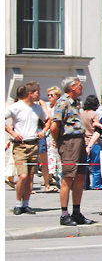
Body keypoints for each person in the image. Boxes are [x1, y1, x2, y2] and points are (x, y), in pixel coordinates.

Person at [50, 76, 95, 226]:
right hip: (69, 141)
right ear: (72, 87)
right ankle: (64, 213)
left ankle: (76, 212)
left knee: (81, 176)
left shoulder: (75, 103)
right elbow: (54, 127)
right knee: (68, 177)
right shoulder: (62, 102)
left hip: (79, 140)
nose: (82, 87)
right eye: (79, 85)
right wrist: (58, 143)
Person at [4, 82, 49, 215]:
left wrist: (44, 131)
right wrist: (12, 133)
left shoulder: (37, 108)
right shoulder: (16, 107)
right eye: (37, 93)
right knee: (22, 176)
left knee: (30, 176)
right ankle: (18, 203)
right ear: (30, 93)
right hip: (20, 145)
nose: (39, 95)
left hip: (33, 143)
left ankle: (26, 204)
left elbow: (48, 120)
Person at [38, 86, 62, 192]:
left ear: (57, 96)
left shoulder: (58, 106)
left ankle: (53, 177)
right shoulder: (52, 106)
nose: (50, 97)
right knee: (50, 156)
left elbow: (50, 118)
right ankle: (50, 178)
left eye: (52, 95)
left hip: (55, 135)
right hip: (49, 135)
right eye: (48, 95)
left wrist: (43, 106)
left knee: (55, 156)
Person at [81, 94, 102, 191]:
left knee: (84, 165)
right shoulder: (94, 115)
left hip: (84, 141)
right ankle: (97, 184)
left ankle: (84, 184)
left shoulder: (81, 114)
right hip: (94, 142)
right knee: (96, 165)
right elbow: (97, 129)